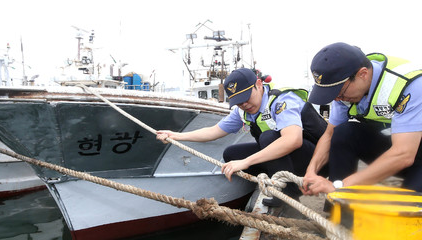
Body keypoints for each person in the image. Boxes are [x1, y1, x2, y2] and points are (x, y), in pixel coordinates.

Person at [156, 68, 327, 206]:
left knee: (267, 138)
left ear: (259, 85)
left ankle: (287, 193)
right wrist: (177, 136)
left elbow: (293, 140)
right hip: (290, 158)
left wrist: (247, 162)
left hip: (317, 159)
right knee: (231, 154)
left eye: (246, 97)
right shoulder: (242, 111)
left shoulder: (282, 101)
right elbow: (214, 131)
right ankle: (280, 184)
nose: (244, 104)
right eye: (238, 101)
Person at [302, 42, 422, 195]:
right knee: (344, 132)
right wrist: (311, 171)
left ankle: (339, 191)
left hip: (410, 152)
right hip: (397, 147)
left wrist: (340, 185)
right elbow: (329, 134)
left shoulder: (410, 85)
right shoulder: (344, 93)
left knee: (409, 210)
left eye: (339, 92)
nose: (337, 99)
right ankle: (338, 208)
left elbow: (404, 154)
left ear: (363, 74)